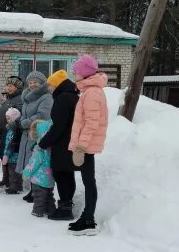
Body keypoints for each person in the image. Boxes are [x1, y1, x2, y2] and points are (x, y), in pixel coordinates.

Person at [67, 55, 109, 236]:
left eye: (76, 71)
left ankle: (89, 220)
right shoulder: (90, 91)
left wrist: (81, 147)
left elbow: (91, 123)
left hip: (87, 146)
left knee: (89, 182)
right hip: (86, 145)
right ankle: (87, 217)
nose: (74, 73)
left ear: (83, 73)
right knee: (87, 181)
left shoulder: (92, 93)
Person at [38, 70, 79, 221]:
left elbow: (58, 126)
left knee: (62, 175)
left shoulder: (62, 99)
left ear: (57, 85)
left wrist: (44, 142)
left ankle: (65, 209)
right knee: (68, 174)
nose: (49, 88)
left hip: (63, 143)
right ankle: (67, 205)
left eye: (51, 85)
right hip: (71, 142)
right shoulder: (73, 96)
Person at [15, 71, 53, 203]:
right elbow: (24, 114)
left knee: (36, 162)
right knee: (28, 161)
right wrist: (20, 120)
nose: (32, 85)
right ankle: (32, 190)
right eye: (30, 82)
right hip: (27, 134)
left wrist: (24, 123)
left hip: (38, 134)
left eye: (35, 82)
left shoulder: (46, 97)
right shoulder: (27, 97)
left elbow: (43, 115)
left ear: (42, 83)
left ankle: (38, 192)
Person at [0, 76, 24, 186]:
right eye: (8, 85)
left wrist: (13, 126)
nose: (8, 88)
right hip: (4, 132)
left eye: (11, 86)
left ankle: (14, 183)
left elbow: (19, 115)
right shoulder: (9, 98)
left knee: (12, 158)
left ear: (17, 87)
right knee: (4, 155)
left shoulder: (20, 99)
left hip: (13, 133)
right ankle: (6, 179)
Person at [23, 120, 55, 217]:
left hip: (39, 178)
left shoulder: (39, 148)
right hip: (50, 178)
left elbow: (34, 162)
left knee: (39, 196)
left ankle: (38, 211)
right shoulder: (51, 148)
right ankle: (51, 210)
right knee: (49, 195)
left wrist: (26, 172)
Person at [2, 107, 23, 195]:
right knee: (16, 171)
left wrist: (6, 154)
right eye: (6, 118)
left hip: (13, 154)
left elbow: (10, 144)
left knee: (13, 172)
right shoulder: (13, 128)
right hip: (15, 153)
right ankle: (18, 186)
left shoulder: (13, 130)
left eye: (9, 118)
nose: (7, 120)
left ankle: (14, 187)